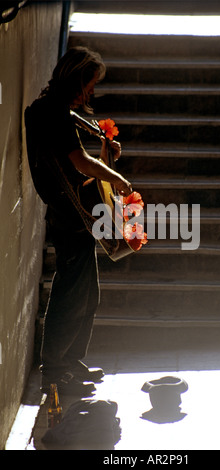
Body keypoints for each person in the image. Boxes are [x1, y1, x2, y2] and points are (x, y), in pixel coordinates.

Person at [25, 46, 132, 396]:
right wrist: (117, 179)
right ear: (76, 79)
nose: (91, 92)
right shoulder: (53, 112)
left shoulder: (54, 110)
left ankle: (70, 360)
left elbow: (82, 156)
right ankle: (55, 368)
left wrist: (106, 153)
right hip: (69, 214)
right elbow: (80, 163)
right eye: (90, 84)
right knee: (71, 294)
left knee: (87, 293)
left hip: (74, 214)